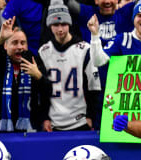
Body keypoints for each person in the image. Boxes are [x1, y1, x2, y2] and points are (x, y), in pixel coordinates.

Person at [39, 3, 100, 131]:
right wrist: (44, 117)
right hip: (54, 120)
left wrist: (91, 116)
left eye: (64, 24)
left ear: (69, 24)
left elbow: (93, 87)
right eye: (56, 25)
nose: (60, 29)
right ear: (50, 26)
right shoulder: (43, 52)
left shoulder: (84, 49)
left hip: (80, 119)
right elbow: (43, 90)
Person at [0, 18, 51, 132]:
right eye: (14, 42)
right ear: (5, 46)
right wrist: (1, 38)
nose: (20, 47)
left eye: (23, 43)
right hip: (3, 127)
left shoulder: (33, 61)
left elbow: (48, 91)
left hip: (31, 126)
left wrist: (39, 76)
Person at [88, 0, 141, 70]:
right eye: (139, 15)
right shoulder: (121, 40)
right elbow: (97, 61)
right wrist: (95, 35)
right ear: (133, 19)